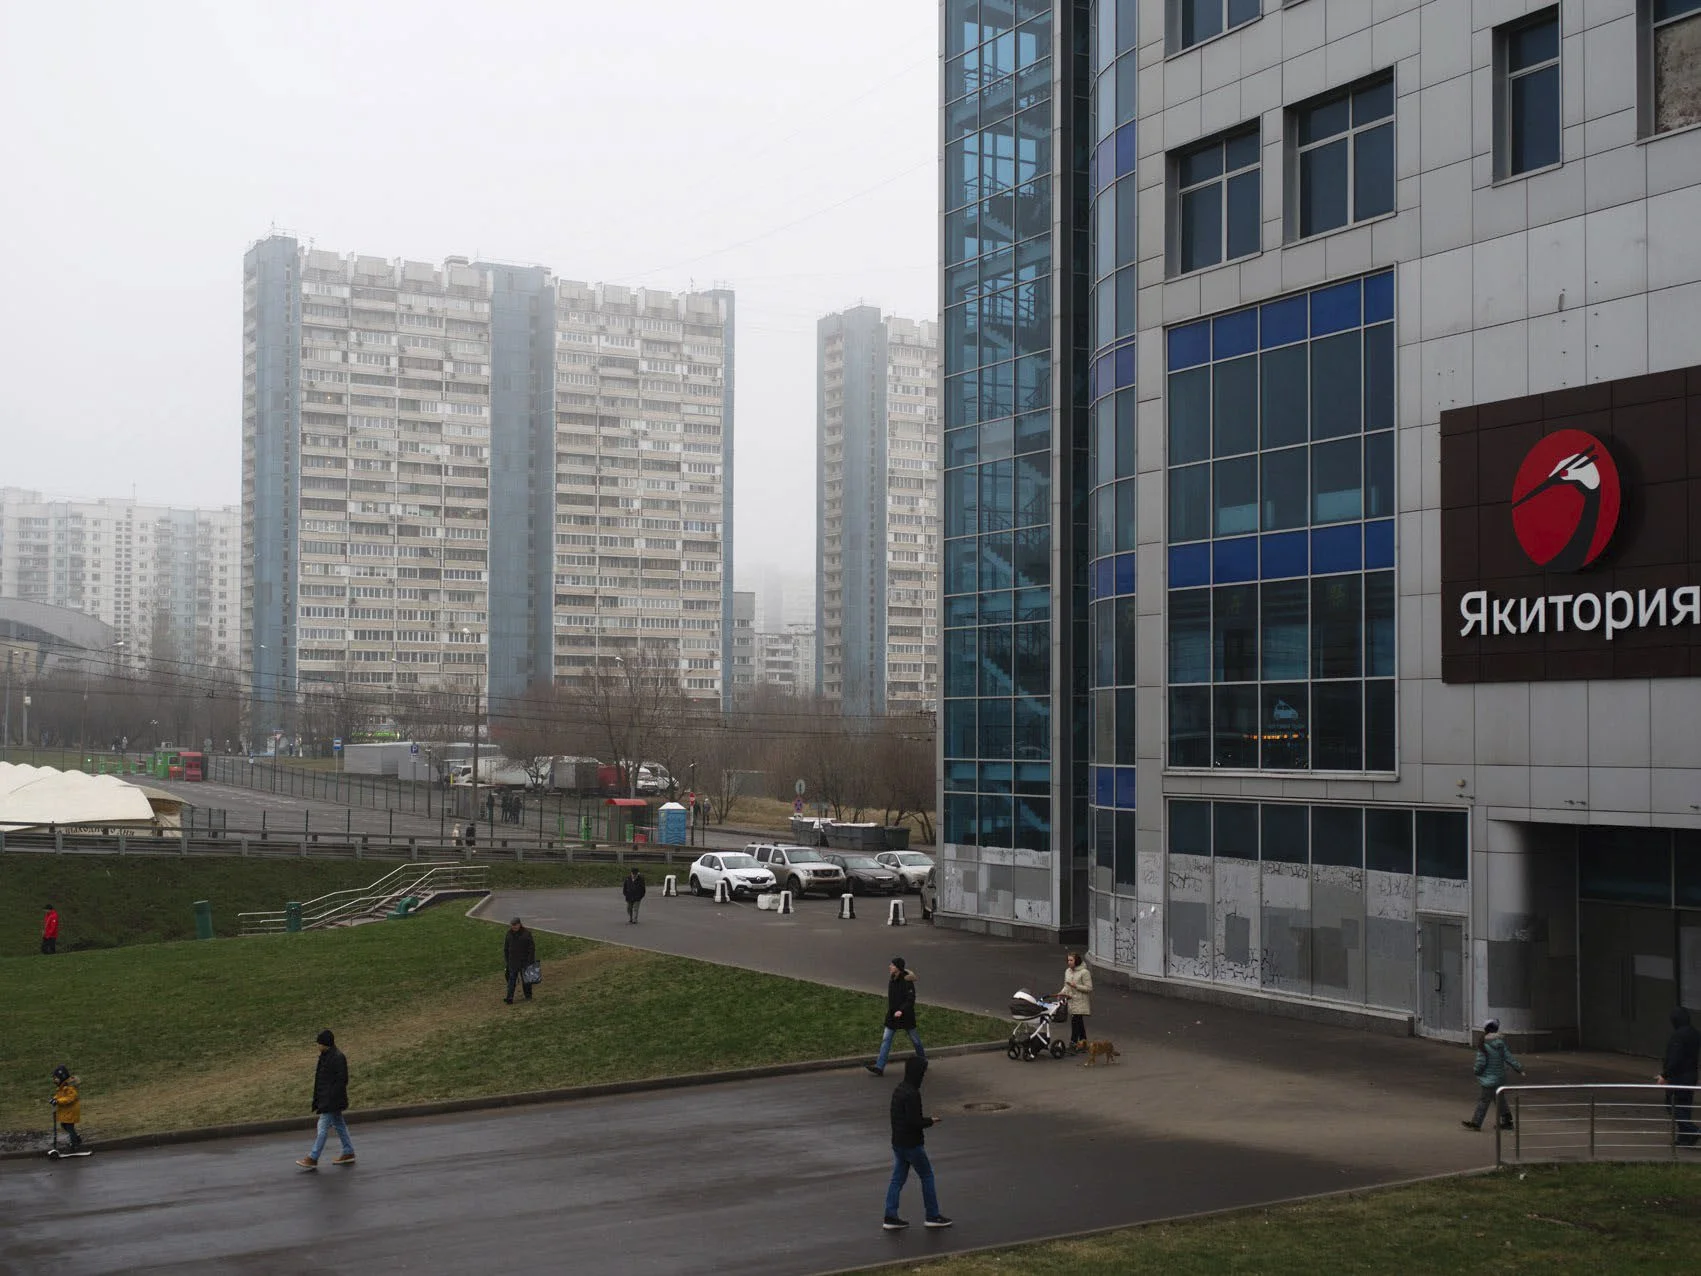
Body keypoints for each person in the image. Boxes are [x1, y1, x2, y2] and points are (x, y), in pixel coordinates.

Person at [882, 1057, 951, 1231]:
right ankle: (932, 1215)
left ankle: (890, 1215)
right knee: (927, 1176)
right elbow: (914, 1121)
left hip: (898, 1143)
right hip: (912, 1144)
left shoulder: (899, 1089)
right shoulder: (913, 1094)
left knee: (897, 1179)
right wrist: (931, 1121)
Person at [296, 1029, 355, 1169]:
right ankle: (348, 1151)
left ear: (325, 1044)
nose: (317, 1045)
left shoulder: (337, 1057)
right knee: (339, 1125)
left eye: (319, 1043)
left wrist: (329, 1099)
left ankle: (313, 1157)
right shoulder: (324, 1056)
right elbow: (320, 1081)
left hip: (331, 1101)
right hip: (327, 1100)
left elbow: (342, 1080)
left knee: (322, 1127)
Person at [865, 957, 926, 1077]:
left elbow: (910, 999)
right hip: (892, 1016)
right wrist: (893, 1011)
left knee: (915, 1040)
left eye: (892, 965)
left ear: (898, 967)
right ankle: (879, 1067)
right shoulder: (892, 979)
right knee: (886, 1040)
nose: (889, 966)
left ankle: (923, 1061)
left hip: (905, 1016)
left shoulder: (907, 981)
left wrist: (901, 1011)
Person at [1462, 1018, 1524, 1130]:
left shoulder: (1484, 1044)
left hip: (1489, 1079)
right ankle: (1507, 1121)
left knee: (1484, 1100)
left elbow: (1480, 1062)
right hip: (1499, 1077)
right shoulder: (1500, 1043)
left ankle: (1476, 1123)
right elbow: (1508, 1057)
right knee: (1499, 1099)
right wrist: (1519, 1068)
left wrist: (1476, 1071)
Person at [1656, 1006, 1700, 1147]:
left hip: (1678, 1077)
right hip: (1691, 1075)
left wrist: (1665, 1075)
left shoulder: (1678, 1036)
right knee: (1684, 1106)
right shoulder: (1695, 1033)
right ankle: (1685, 1138)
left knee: (1673, 1106)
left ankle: (1694, 1131)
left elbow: (1675, 1058)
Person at [1058, 952, 1094, 1053]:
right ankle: (1084, 1042)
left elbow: (1089, 988)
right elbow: (1066, 985)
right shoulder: (1068, 971)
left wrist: (1076, 986)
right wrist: (1061, 992)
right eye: (1068, 960)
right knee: (1079, 1022)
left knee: (1075, 1021)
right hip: (1071, 1000)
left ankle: (1073, 1043)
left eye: (1071, 960)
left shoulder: (1084, 972)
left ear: (1076, 961)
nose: (1069, 962)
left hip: (1080, 1001)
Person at [503, 917, 537, 1004]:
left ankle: (528, 996)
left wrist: (530, 961)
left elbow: (531, 948)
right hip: (512, 962)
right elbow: (506, 948)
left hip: (524, 962)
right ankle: (509, 998)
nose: (513, 927)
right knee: (511, 981)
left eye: (515, 925)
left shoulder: (526, 934)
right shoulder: (509, 934)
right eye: (512, 925)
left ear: (519, 924)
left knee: (526, 980)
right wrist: (507, 961)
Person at [49, 1065, 83, 1151]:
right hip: (67, 1111)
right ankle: (76, 1138)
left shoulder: (69, 1088)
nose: (54, 1080)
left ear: (62, 1076)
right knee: (64, 1125)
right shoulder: (62, 1087)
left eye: (56, 1078)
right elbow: (59, 1096)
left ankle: (75, 1145)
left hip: (71, 1111)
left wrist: (58, 1101)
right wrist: (54, 1099)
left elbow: (70, 1098)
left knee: (69, 1127)